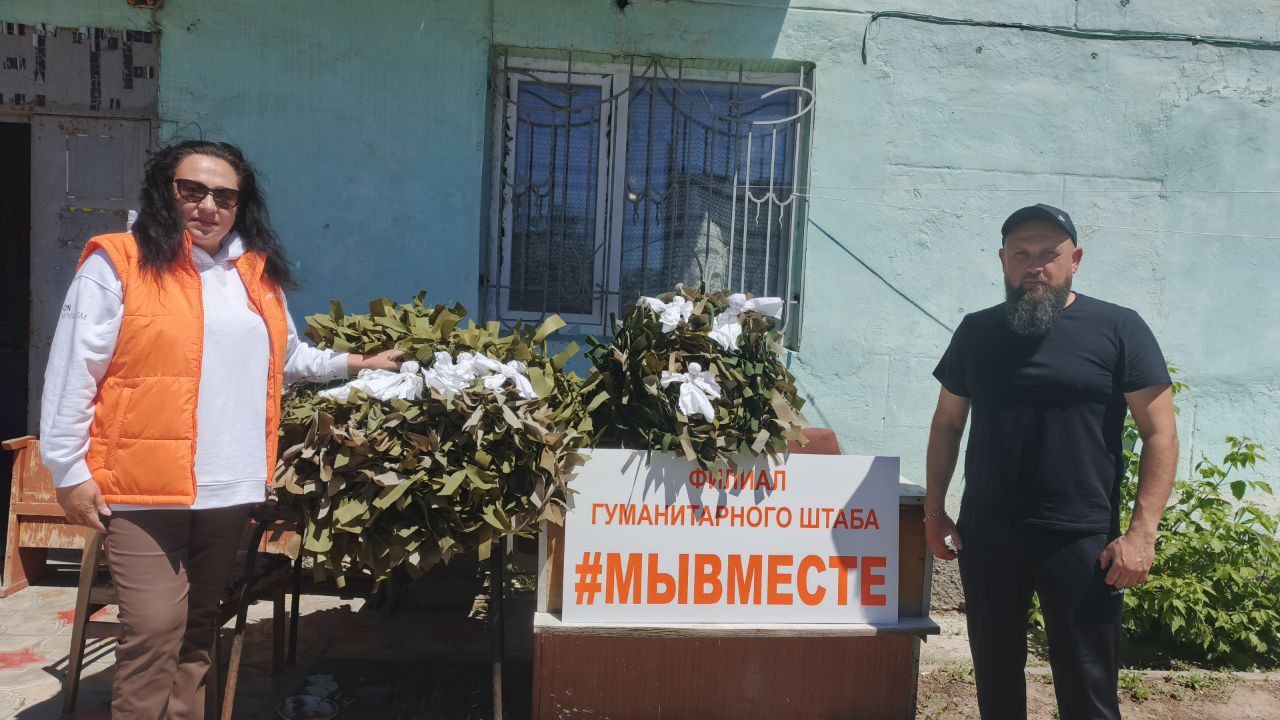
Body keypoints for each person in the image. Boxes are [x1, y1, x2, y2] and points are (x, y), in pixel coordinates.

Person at [40, 140, 402, 719]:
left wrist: (358, 364)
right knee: (154, 629)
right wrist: (67, 469)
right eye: (192, 190)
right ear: (165, 192)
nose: (208, 206)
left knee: (197, 630)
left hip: (228, 484)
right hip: (142, 487)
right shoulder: (119, 262)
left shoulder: (255, 275)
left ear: (240, 205)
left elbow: (287, 355)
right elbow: (72, 368)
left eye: (224, 196)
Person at [924, 204, 1179, 719]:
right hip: (988, 533)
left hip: (1082, 536)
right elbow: (947, 422)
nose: (1034, 265)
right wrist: (935, 511)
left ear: (1075, 260)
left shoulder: (1118, 327)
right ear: (1003, 260)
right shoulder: (975, 331)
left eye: (1048, 253)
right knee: (995, 677)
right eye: (1021, 253)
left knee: (1088, 685)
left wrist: (1142, 533)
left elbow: (1160, 432)